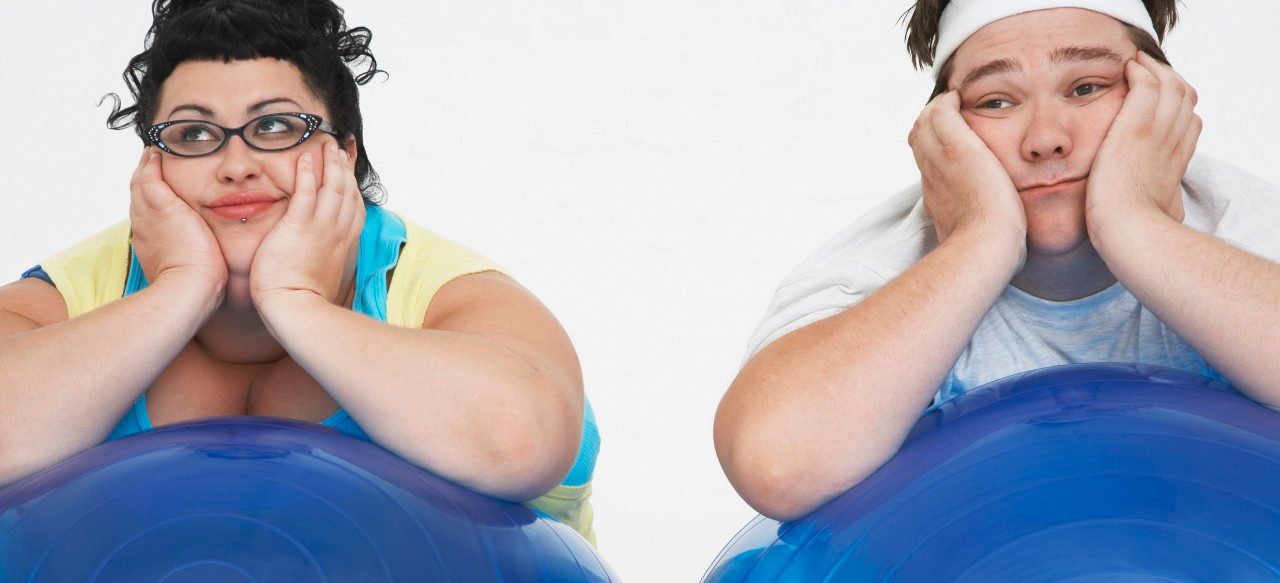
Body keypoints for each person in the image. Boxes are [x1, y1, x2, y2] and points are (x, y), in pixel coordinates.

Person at [0, 0, 599, 543]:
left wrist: (293, 299)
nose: (236, 165)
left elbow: (520, 443)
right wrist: (182, 284)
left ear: (345, 152)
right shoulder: (68, 295)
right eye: (194, 134)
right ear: (153, 164)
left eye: (276, 126)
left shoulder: (446, 295)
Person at [715, 0, 1280, 521]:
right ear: (944, 130)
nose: (1046, 139)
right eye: (997, 101)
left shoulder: (1249, 228)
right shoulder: (877, 269)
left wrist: (1134, 225)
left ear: (1163, 99)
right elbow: (777, 466)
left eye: (1086, 87)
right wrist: (982, 239)